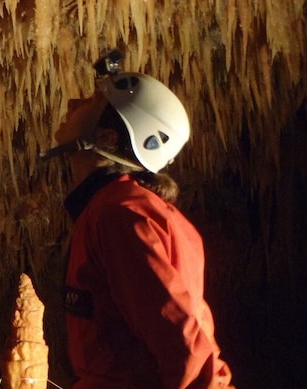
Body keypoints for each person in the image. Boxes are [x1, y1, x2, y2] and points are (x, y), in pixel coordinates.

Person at [45, 58, 233, 388]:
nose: (74, 103)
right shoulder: (124, 209)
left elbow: (182, 339)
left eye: (91, 101)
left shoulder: (120, 215)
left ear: (106, 138)